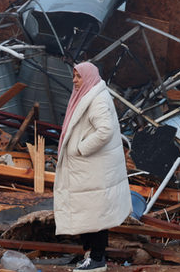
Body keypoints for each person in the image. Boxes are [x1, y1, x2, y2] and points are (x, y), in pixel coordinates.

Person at [54, 62, 132, 272]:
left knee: (95, 214)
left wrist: (80, 149)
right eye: (73, 76)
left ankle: (97, 260)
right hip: (89, 170)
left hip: (91, 168)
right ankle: (91, 256)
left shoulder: (96, 99)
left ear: (88, 77)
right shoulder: (90, 94)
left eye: (78, 76)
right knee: (89, 212)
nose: (74, 80)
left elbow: (105, 131)